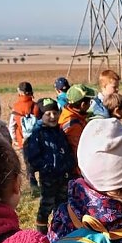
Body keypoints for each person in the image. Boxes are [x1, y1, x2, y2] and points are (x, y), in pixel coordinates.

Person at [24, 98, 74, 235]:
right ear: (41, 116)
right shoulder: (38, 134)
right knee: (46, 205)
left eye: (55, 113)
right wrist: (46, 166)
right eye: (48, 114)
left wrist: (69, 164)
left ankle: (59, 232)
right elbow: (33, 157)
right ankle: (42, 233)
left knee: (62, 205)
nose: (52, 117)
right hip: (48, 177)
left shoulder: (59, 131)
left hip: (63, 176)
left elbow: (66, 150)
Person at [8, 82, 42, 191]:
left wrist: (14, 139)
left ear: (20, 92)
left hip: (23, 141)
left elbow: (12, 126)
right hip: (37, 140)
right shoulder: (36, 106)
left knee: (29, 164)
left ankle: (33, 185)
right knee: (41, 160)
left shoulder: (16, 107)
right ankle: (43, 183)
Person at [58, 84, 96, 174]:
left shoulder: (67, 112)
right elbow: (78, 152)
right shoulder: (74, 126)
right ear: (83, 105)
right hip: (77, 171)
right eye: (89, 102)